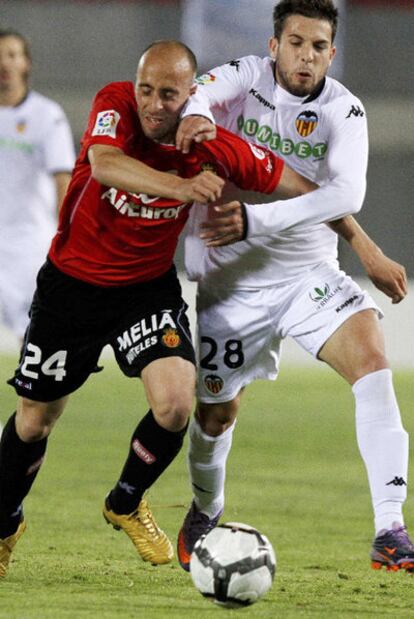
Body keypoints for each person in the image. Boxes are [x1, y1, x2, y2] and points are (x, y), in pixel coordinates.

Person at [0, 40, 322, 578]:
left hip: (145, 290)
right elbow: (104, 165)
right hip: (71, 286)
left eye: (167, 94)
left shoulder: (212, 143)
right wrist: (181, 186)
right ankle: (5, 521)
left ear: (190, 95)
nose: (152, 102)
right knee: (35, 421)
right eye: (146, 88)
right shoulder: (115, 104)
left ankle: (125, 501)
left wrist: (360, 239)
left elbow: (301, 186)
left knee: (176, 404)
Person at [176, 0, 413, 573]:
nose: (307, 56)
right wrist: (197, 114)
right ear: (273, 44)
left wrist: (260, 221)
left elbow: (344, 196)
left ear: (332, 52)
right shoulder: (243, 79)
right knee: (215, 416)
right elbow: (197, 95)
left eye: (319, 46)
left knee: (374, 366)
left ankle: (390, 528)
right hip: (233, 283)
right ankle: (207, 508)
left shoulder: (344, 111)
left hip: (309, 273)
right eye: (296, 43)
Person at [0, 30, 75, 341]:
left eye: (12, 54)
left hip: (30, 247)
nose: (4, 62)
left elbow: (63, 181)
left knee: (35, 340)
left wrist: (66, 240)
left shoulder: (47, 116)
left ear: (26, 63)